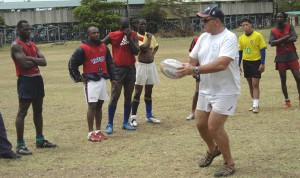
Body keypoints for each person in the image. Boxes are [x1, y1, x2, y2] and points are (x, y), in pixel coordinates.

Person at [177, 6, 240, 177]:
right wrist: (185, 66)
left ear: (217, 21)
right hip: (206, 89)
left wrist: (195, 70)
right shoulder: (204, 37)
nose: (202, 23)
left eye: (205, 20)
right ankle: (213, 150)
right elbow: (193, 57)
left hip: (225, 91)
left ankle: (229, 163)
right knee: (200, 124)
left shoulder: (229, 38)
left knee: (214, 127)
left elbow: (222, 64)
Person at [10, 20, 57, 155]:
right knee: (22, 112)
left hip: (37, 79)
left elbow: (44, 62)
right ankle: (20, 145)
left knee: (38, 111)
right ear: (18, 30)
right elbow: (24, 65)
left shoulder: (32, 45)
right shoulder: (16, 45)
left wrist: (30, 58)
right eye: (26, 29)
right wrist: (35, 59)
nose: (29, 31)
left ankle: (40, 140)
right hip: (25, 80)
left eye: (30, 29)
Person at [68, 26, 117, 142]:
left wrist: (113, 78)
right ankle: (90, 133)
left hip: (102, 79)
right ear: (88, 35)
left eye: (97, 32)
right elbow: (72, 64)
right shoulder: (82, 48)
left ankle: (98, 131)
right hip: (91, 82)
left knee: (99, 106)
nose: (96, 34)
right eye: (93, 33)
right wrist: (78, 78)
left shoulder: (104, 47)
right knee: (92, 106)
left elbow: (110, 63)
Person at [102, 17, 140, 134]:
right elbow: (102, 45)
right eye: (122, 26)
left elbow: (136, 51)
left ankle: (125, 122)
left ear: (129, 26)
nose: (124, 27)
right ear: (119, 25)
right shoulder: (113, 35)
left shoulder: (133, 35)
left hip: (130, 69)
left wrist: (129, 38)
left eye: (126, 25)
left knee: (128, 96)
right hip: (118, 69)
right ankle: (110, 124)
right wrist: (109, 60)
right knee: (115, 96)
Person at [129, 18, 160, 127]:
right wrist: (150, 37)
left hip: (151, 66)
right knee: (137, 93)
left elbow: (156, 46)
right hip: (141, 66)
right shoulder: (137, 36)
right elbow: (144, 47)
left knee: (149, 92)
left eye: (145, 24)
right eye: (141, 24)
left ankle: (149, 115)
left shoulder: (149, 35)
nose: (143, 26)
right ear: (137, 25)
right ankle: (133, 118)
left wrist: (152, 54)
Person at [269, 12, 300, 108]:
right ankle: (287, 101)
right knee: (283, 80)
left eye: (281, 17)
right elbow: (272, 43)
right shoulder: (273, 30)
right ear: (276, 19)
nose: (279, 18)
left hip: (292, 55)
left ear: (284, 18)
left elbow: (294, 38)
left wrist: (279, 41)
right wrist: (286, 38)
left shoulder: (289, 27)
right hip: (281, 57)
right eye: (277, 17)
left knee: (298, 78)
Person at [238, 18, 267, 113]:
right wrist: (238, 65)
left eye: (246, 24)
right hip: (246, 62)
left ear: (251, 25)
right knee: (250, 83)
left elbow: (262, 49)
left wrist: (262, 63)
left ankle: (255, 106)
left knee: (255, 83)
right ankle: (255, 103)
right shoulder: (241, 38)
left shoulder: (258, 35)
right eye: (243, 25)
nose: (245, 26)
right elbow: (240, 52)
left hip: (256, 62)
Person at [186, 37, 200, 120]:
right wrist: (192, 69)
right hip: (199, 69)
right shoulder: (196, 40)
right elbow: (192, 55)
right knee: (198, 91)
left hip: (210, 68)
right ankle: (193, 112)